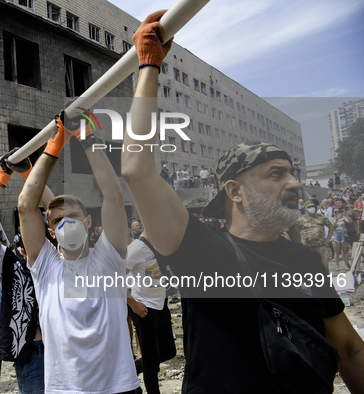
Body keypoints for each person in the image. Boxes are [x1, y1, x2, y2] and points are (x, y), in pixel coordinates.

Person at [121, 10, 364, 392]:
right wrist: (149, 64)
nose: (295, 184)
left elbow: (349, 350)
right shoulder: (198, 248)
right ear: (234, 191)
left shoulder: (304, 260)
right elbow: (136, 168)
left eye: (292, 173)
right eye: (275, 174)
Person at [17, 111, 140, 393]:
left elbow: (113, 194)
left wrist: (86, 137)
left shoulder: (109, 257)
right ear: (50, 232)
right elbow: (26, 205)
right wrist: (56, 141)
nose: (66, 223)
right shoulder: (46, 265)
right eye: (58, 221)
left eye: (73, 216)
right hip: (65, 388)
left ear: (88, 222)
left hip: (119, 386)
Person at [0, 150, 54, 394]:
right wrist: (1, 179)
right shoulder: (6, 263)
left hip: (62, 347)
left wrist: (30, 173)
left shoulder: (56, 257)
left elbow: (61, 209)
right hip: (30, 354)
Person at [126, 233, 176, 394]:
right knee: (151, 366)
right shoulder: (136, 248)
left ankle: (130, 370)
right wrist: (133, 303)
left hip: (161, 304)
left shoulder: (160, 244)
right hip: (144, 309)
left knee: (169, 351)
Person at [295, 201, 335, 272]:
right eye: (309, 207)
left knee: (324, 267)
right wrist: (300, 240)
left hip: (320, 246)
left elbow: (331, 226)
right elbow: (296, 231)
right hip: (308, 247)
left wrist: (328, 239)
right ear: (305, 208)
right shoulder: (301, 219)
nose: (311, 208)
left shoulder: (321, 217)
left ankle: (326, 282)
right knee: (309, 268)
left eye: (312, 206)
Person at [331, 206, 352, 271]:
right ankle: (337, 266)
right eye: (335, 212)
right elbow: (332, 226)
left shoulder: (343, 218)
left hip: (343, 233)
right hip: (335, 234)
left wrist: (345, 214)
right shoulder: (331, 218)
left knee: (345, 250)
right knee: (336, 251)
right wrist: (336, 219)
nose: (337, 213)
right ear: (333, 213)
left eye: (338, 211)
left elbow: (350, 222)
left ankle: (346, 265)